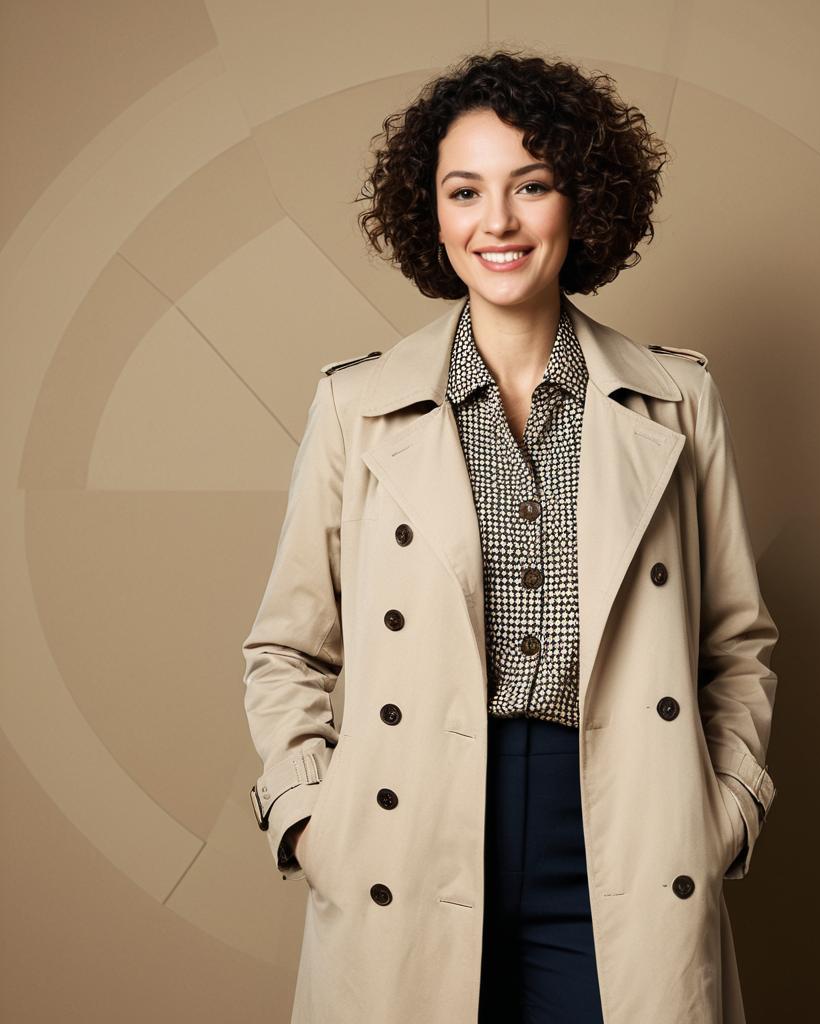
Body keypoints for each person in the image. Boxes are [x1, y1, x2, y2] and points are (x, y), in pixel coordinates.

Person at [243, 48, 779, 1024]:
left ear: (582, 199)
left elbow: (734, 646)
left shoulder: (676, 400)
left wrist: (723, 813)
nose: (496, 222)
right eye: (464, 190)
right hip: (407, 834)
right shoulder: (354, 404)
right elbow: (285, 646)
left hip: (625, 827)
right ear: (430, 211)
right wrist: (312, 820)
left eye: (530, 185)